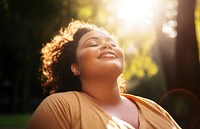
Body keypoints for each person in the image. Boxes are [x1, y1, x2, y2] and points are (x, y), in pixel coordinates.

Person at [26, 20, 181, 129]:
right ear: (75, 67)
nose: (107, 45)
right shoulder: (60, 107)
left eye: (113, 44)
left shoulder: (153, 108)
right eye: (93, 44)